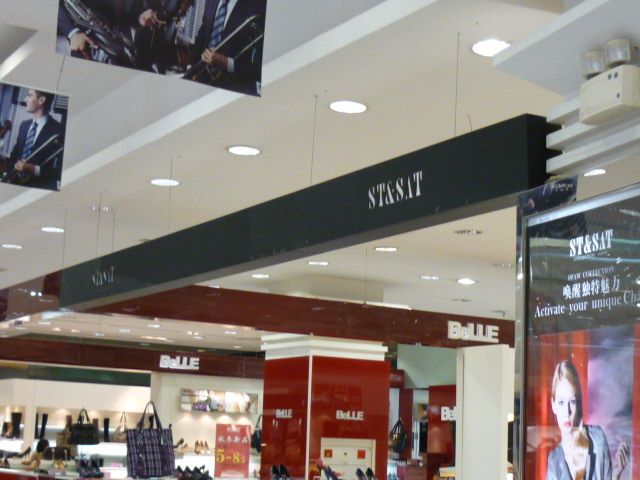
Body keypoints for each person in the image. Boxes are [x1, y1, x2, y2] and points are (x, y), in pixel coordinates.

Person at [546, 360, 628, 480]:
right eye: (561, 402)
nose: (567, 412)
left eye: (572, 401)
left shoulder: (597, 438)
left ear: (578, 403)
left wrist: (615, 476)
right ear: (553, 405)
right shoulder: (554, 460)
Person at [189, 0, 266, 95]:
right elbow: (202, 38)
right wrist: (192, 70)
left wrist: (228, 64)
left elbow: (261, 68)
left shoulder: (259, 7)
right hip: (200, 80)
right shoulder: (210, 1)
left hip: (231, 88)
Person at [57, 0, 162, 63]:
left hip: (116, 45)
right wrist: (73, 32)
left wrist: (140, 19)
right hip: (82, 40)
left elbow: (123, 15)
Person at [1, 90, 64, 191]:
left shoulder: (59, 130)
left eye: (29, 96)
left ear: (41, 100)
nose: (25, 99)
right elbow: (15, 156)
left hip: (36, 189)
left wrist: (33, 169)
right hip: (14, 184)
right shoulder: (24, 125)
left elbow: (59, 172)